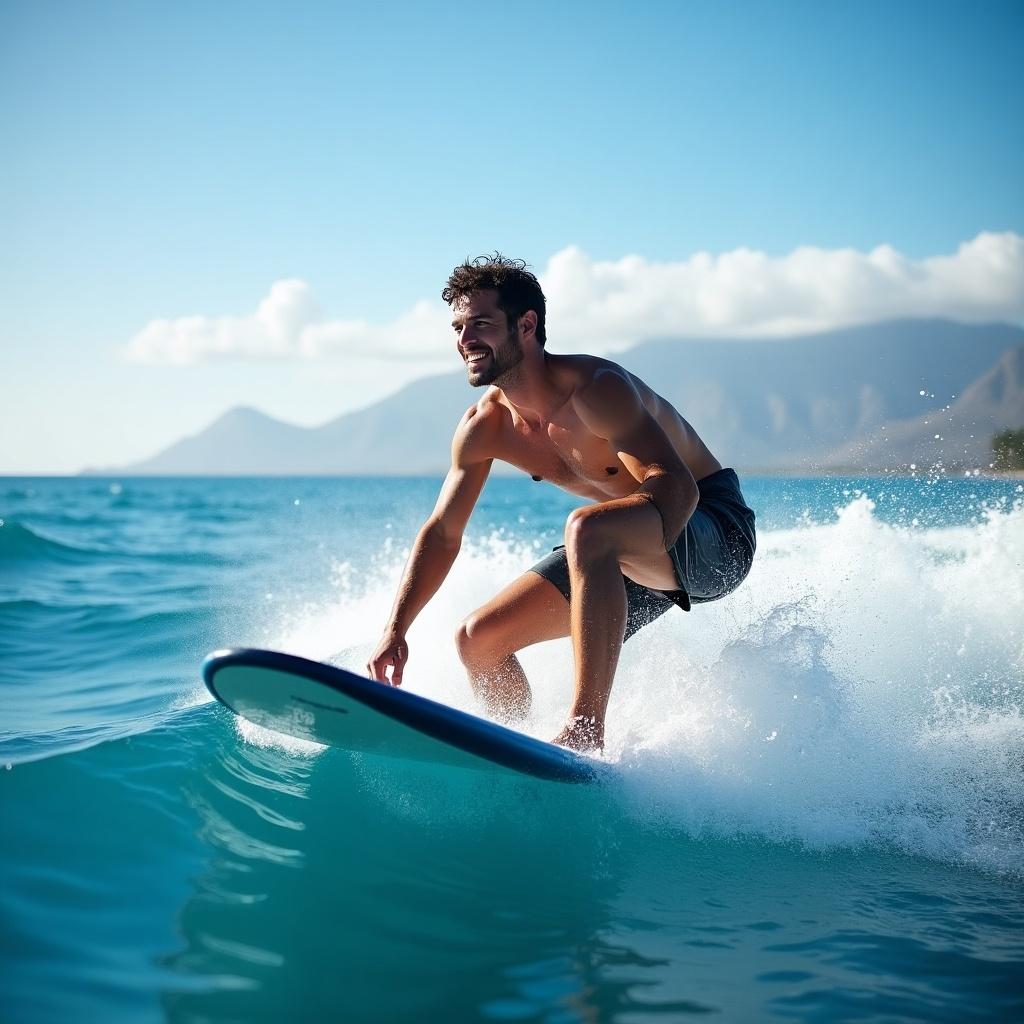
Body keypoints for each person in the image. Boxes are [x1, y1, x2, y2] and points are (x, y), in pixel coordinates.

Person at [368, 255, 756, 751]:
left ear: (526, 325)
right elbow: (443, 533)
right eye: (459, 327)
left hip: (715, 532)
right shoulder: (484, 428)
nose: (465, 340)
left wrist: (625, 555)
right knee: (478, 641)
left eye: (481, 324)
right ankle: (519, 749)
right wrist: (396, 628)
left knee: (586, 530)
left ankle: (585, 730)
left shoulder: (596, 391)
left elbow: (678, 488)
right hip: (631, 553)